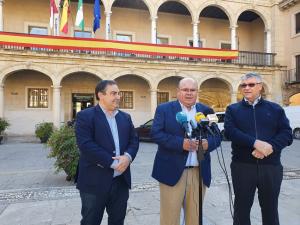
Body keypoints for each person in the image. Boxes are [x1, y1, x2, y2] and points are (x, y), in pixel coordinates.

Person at [224, 72, 293, 225]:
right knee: (241, 209)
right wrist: (255, 143)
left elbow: (287, 134)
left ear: (260, 87)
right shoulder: (233, 110)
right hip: (242, 167)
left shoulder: (275, 109)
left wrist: (270, 147)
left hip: (271, 167)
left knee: (270, 209)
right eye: (244, 85)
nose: (246, 88)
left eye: (251, 84)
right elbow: (230, 132)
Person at [151, 77, 221, 225]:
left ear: (197, 92)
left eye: (192, 90)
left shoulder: (206, 110)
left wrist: (209, 143)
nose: (189, 93)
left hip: (198, 171)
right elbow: (156, 134)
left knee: (194, 218)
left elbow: (218, 136)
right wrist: (180, 143)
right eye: (185, 90)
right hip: (172, 171)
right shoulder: (164, 109)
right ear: (178, 92)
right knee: (170, 218)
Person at [75, 80, 139, 225]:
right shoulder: (85, 116)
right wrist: (113, 163)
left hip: (120, 182)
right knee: (90, 221)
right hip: (94, 181)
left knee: (118, 221)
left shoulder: (125, 117)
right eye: (113, 93)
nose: (118, 97)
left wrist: (127, 157)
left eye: (118, 93)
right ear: (100, 95)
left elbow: (134, 141)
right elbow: (86, 145)